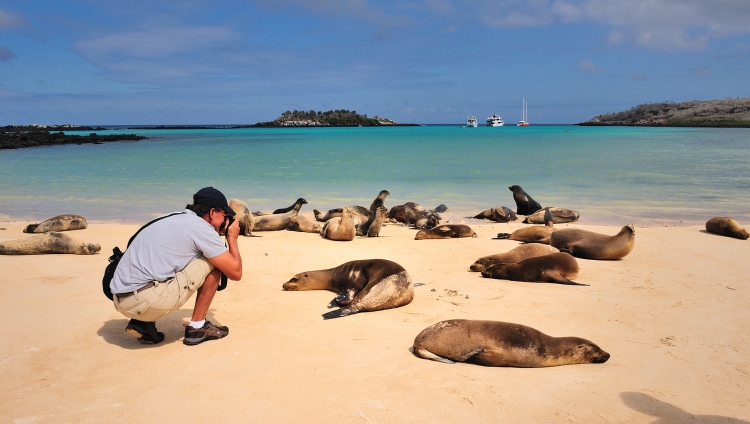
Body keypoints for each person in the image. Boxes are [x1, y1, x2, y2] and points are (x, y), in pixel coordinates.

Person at [110, 187, 243, 345]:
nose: (226, 220)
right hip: (144, 302)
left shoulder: (171, 217)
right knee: (213, 261)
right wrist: (232, 238)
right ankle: (197, 328)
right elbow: (235, 272)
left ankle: (143, 323)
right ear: (213, 212)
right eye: (225, 215)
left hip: (119, 298)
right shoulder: (202, 228)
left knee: (174, 258)